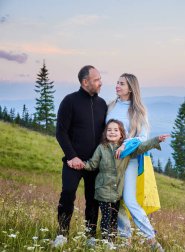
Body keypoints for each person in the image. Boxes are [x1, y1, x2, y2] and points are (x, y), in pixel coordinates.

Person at [69, 119, 169, 242]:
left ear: (121, 134)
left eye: (116, 130)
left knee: (114, 218)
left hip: (117, 192)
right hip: (103, 190)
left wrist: (156, 140)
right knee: (106, 218)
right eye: (109, 130)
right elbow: (92, 164)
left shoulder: (126, 151)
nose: (112, 132)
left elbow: (142, 147)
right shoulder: (101, 148)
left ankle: (111, 241)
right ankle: (106, 242)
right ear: (105, 133)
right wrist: (80, 164)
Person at [107, 73, 164, 251]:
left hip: (129, 160)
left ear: (131, 88)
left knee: (130, 200)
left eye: (121, 84)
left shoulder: (139, 111)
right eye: (117, 82)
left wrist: (125, 146)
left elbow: (142, 138)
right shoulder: (111, 106)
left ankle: (152, 241)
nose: (117, 86)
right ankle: (124, 239)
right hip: (109, 159)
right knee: (116, 198)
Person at [54, 65, 107, 245]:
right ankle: (62, 234)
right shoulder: (69, 101)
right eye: (97, 79)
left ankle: (90, 236)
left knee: (93, 200)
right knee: (67, 194)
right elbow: (61, 132)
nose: (101, 83)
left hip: (94, 164)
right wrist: (72, 156)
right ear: (85, 82)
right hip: (73, 162)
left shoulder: (102, 104)